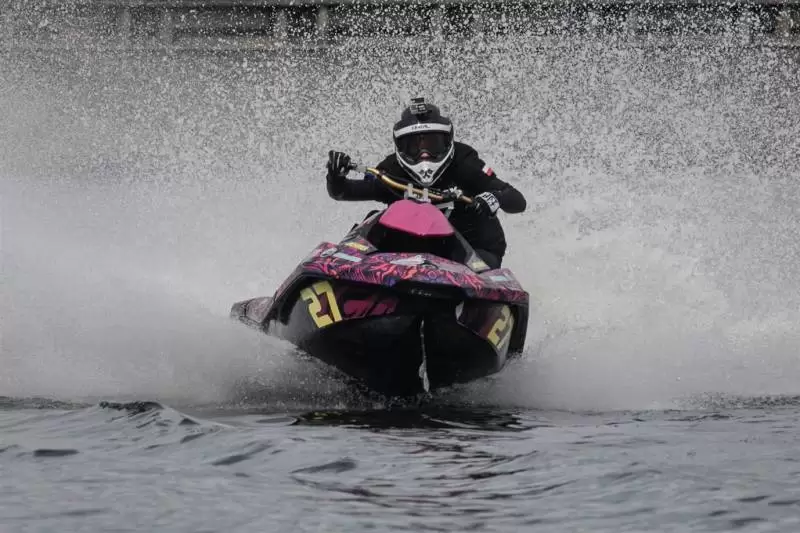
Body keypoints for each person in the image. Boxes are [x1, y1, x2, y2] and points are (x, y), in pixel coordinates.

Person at [325, 97, 526, 269]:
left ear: (447, 141)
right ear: (400, 147)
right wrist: (336, 176)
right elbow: (343, 192)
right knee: (376, 217)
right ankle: (342, 265)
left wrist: (493, 198)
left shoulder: (465, 162)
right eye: (414, 146)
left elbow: (517, 200)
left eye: (432, 144)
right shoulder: (391, 169)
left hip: (470, 253)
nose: (424, 154)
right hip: (406, 253)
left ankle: (482, 291)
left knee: (485, 228)